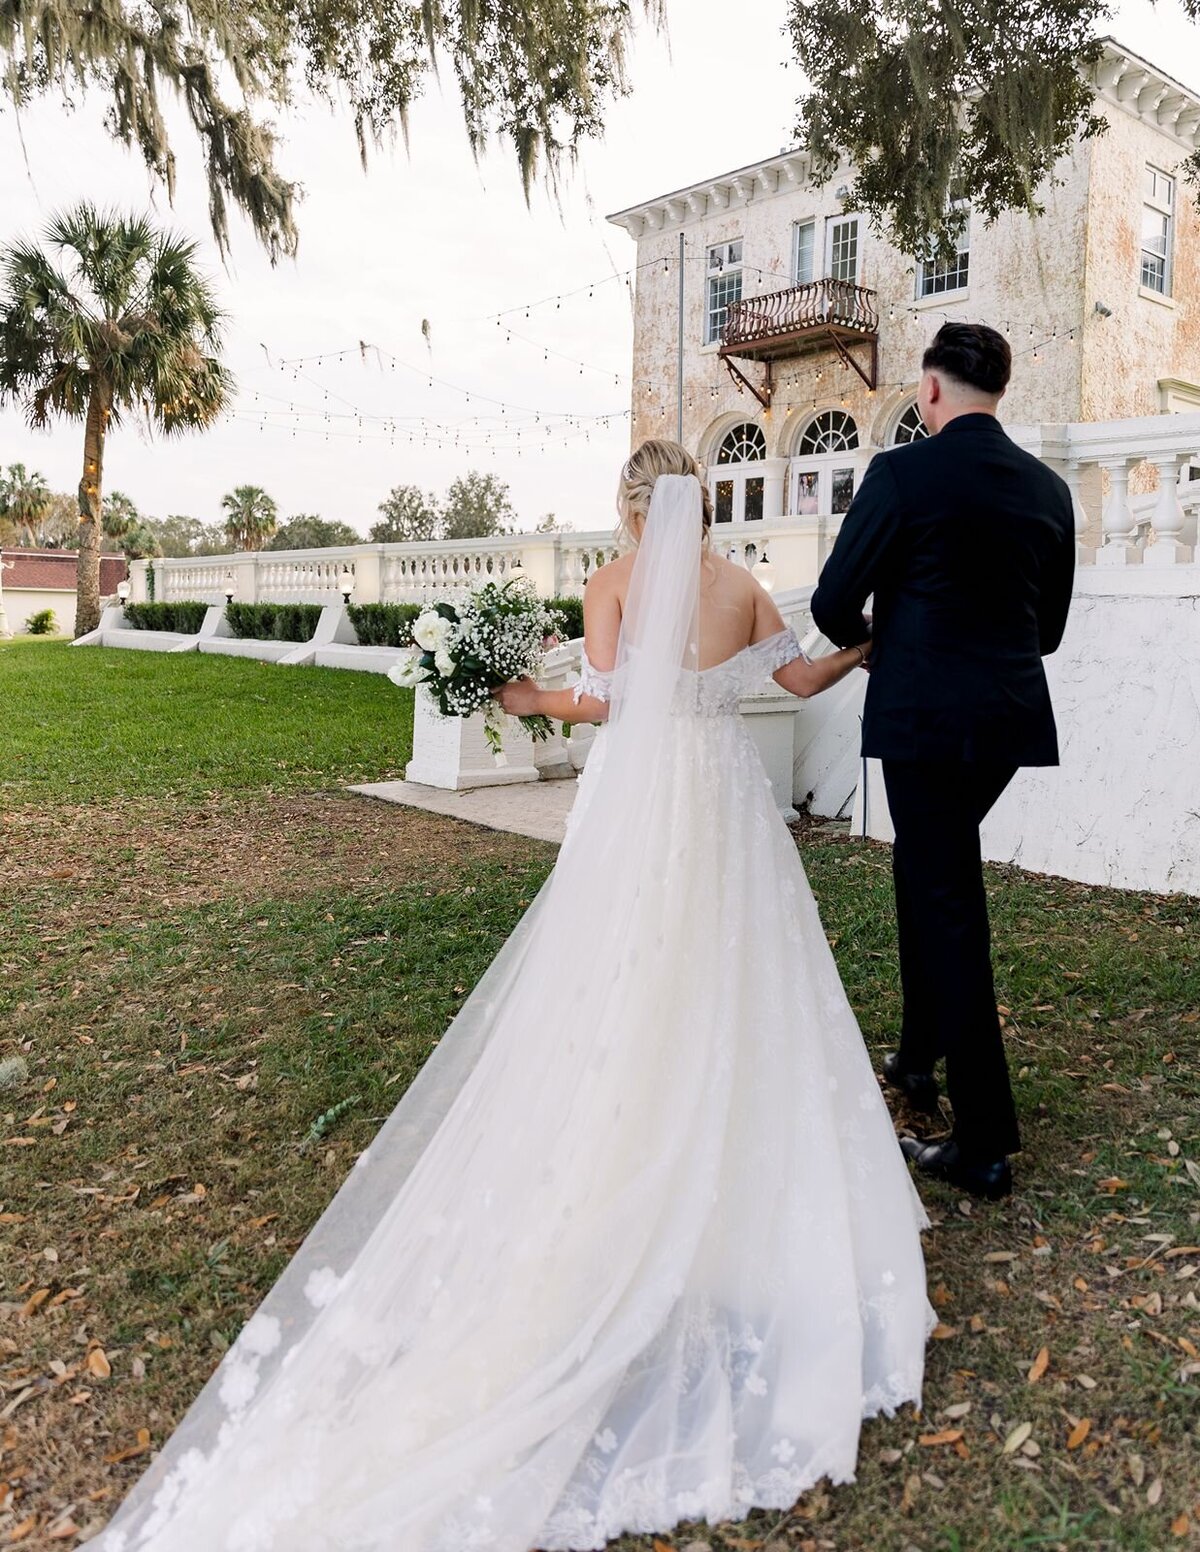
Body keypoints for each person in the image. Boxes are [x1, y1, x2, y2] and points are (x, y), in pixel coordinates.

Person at [92, 441, 933, 1552]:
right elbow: (799, 679)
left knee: (620, 975)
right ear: (700, 502)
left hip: (645, 802)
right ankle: (731, 1183)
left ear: (633, 508)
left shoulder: (614, 582)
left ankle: (623, 1163)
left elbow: (603, 706)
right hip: (726, 808)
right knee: (736, 975)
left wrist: (516, 691)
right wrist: (877, 639)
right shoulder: (741, 589)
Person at [811, 322, 1076, 1202]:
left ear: (930, 392)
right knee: (931, 879)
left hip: (924, 719)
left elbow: (831, 600)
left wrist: (871, 645)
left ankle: (986, 1140)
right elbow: (1050, 631)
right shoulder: (1047, 490)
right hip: (1003, 722)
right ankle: (918, 1058)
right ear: (998, 390)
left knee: (946, 897)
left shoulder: (901, 473)